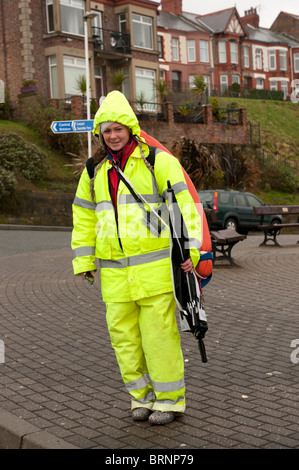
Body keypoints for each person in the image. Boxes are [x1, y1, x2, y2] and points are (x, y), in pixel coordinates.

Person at [71, 91, 202, 425]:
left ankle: (170, 401)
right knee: (124, 341)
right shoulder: (93, 170)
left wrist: (191, 250)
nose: (113, 135)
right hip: (115, 277)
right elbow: (84, 218)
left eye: (119, 129)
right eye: (107, 130)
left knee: (158, 338)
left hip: (155, 271)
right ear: (100, 133)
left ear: (130, 128)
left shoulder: (157, 161)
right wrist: (84, 262)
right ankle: (140, 399)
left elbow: (184, 207)